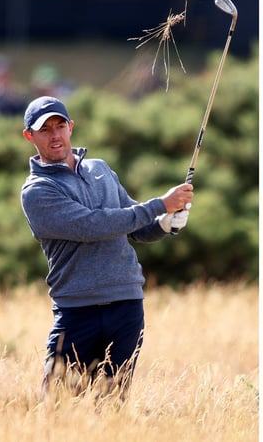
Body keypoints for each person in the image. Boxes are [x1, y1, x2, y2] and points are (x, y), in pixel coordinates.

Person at [19, 96, 193, 397]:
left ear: (71, 127)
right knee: (57, 406)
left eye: (59, 126)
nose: (55, 135)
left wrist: (164, 223)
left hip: (126, 304)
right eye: (44, 130)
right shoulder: (37, 191)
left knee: (113, 401)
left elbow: (134, 226)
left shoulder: (101, 169)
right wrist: (160, 204)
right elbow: (94, 225)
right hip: (76, 311)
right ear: (29, 136)